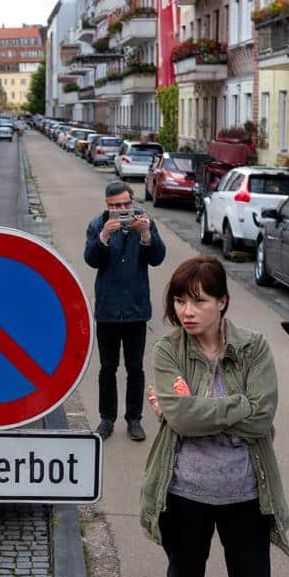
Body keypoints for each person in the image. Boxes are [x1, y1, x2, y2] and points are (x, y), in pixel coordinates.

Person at [141, 256, 289, 577]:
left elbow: (262, 418)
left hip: (246, 497)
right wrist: (234, 408)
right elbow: (182, 418)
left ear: (223, 301)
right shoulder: (168, 350)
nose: (187, 310)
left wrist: (199, 411)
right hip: (185, 495)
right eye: (180, 300)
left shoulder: (253, 347)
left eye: (198, 301)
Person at [84, 180, 167, 441]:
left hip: (136, 309)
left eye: (124, 205)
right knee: (107, 368)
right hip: (107, 309)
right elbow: (91, 259)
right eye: (114, 206)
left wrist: (146, 235)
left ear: (132, 202)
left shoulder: (144, 221)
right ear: (107, 205)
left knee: (135, 368)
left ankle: (134, 419)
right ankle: (107, 419)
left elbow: (157, 258)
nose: (120, 210)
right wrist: (104, 236)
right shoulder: (98, 225)